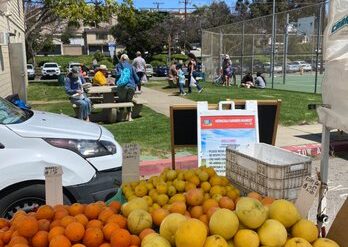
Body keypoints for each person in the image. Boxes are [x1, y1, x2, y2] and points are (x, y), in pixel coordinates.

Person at [116, 54, 139, 121]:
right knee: (129, 101)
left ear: (121, 59)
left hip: (122, 86)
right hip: (131, 86)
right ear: (127, 59)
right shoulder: (131, 66)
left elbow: (117, 75)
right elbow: (136, 78)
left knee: (121, 100)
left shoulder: (118, 65)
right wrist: (138, 82)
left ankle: (121, 117)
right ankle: (129, 117)